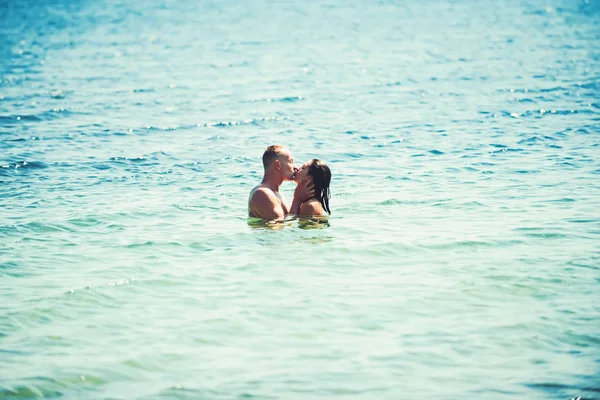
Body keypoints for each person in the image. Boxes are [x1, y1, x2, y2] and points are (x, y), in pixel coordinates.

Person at [248, 145, 314, 220]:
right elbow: (280, 227)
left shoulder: (275, 192)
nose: (296, 168)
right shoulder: (262, 193)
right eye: (291, 162)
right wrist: (297, 200)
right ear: (278, 165)